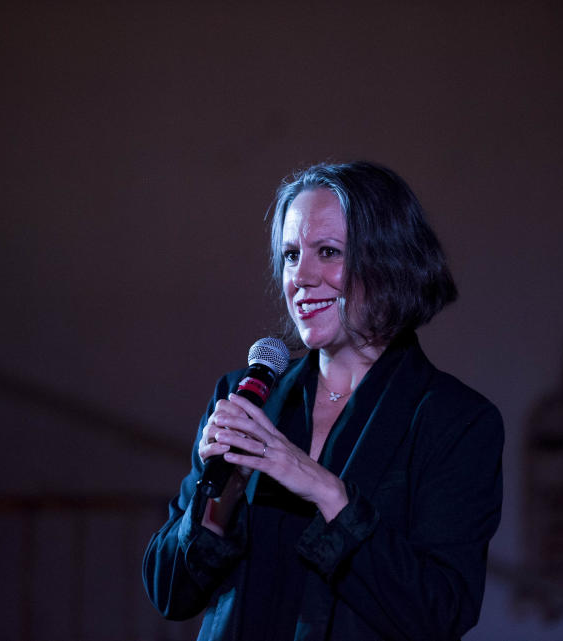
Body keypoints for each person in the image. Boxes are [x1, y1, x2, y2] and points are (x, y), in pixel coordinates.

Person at [143, 161, 503, 641]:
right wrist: (219, 497)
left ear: (390, 263)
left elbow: (439, 612)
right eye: (290, 255)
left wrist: (326, 491)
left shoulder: (454, 420)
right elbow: (171, 592)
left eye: (328, 252)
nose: (301, 277)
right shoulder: (247, 399)